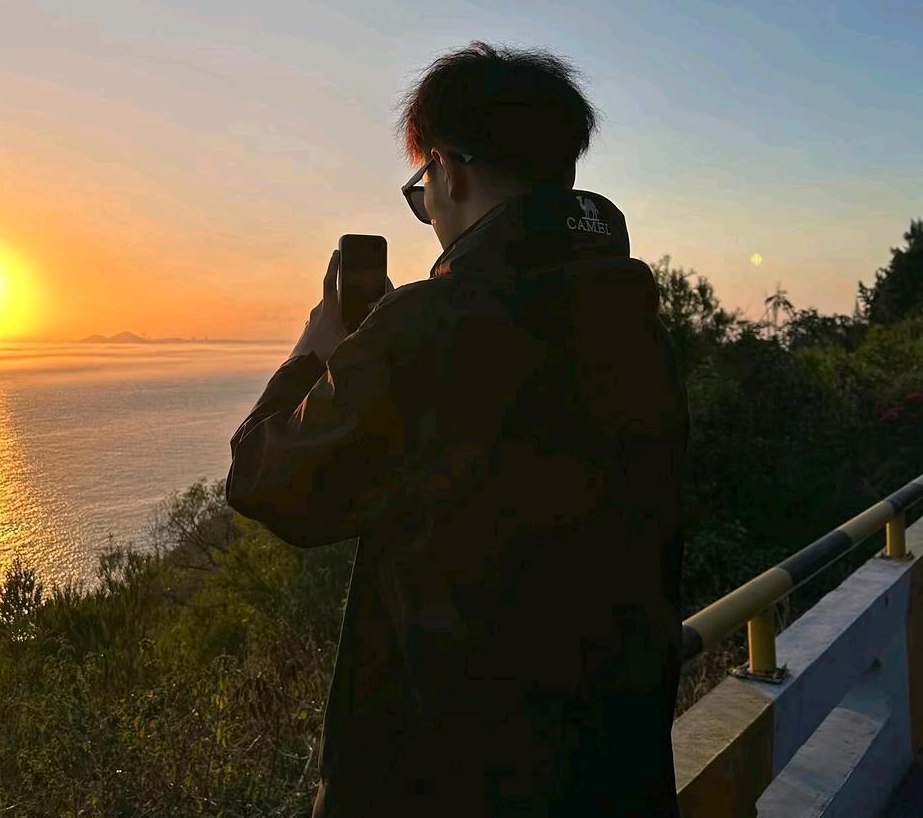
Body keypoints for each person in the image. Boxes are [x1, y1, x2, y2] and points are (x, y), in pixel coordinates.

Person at [227, 41, 690, 816]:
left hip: (444, 782)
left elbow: (267, 482)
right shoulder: (634, 322)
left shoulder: (428, 324)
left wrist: (315, 355)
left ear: (449, 169)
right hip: (615, 773)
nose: (430, 211)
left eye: (423, 190)